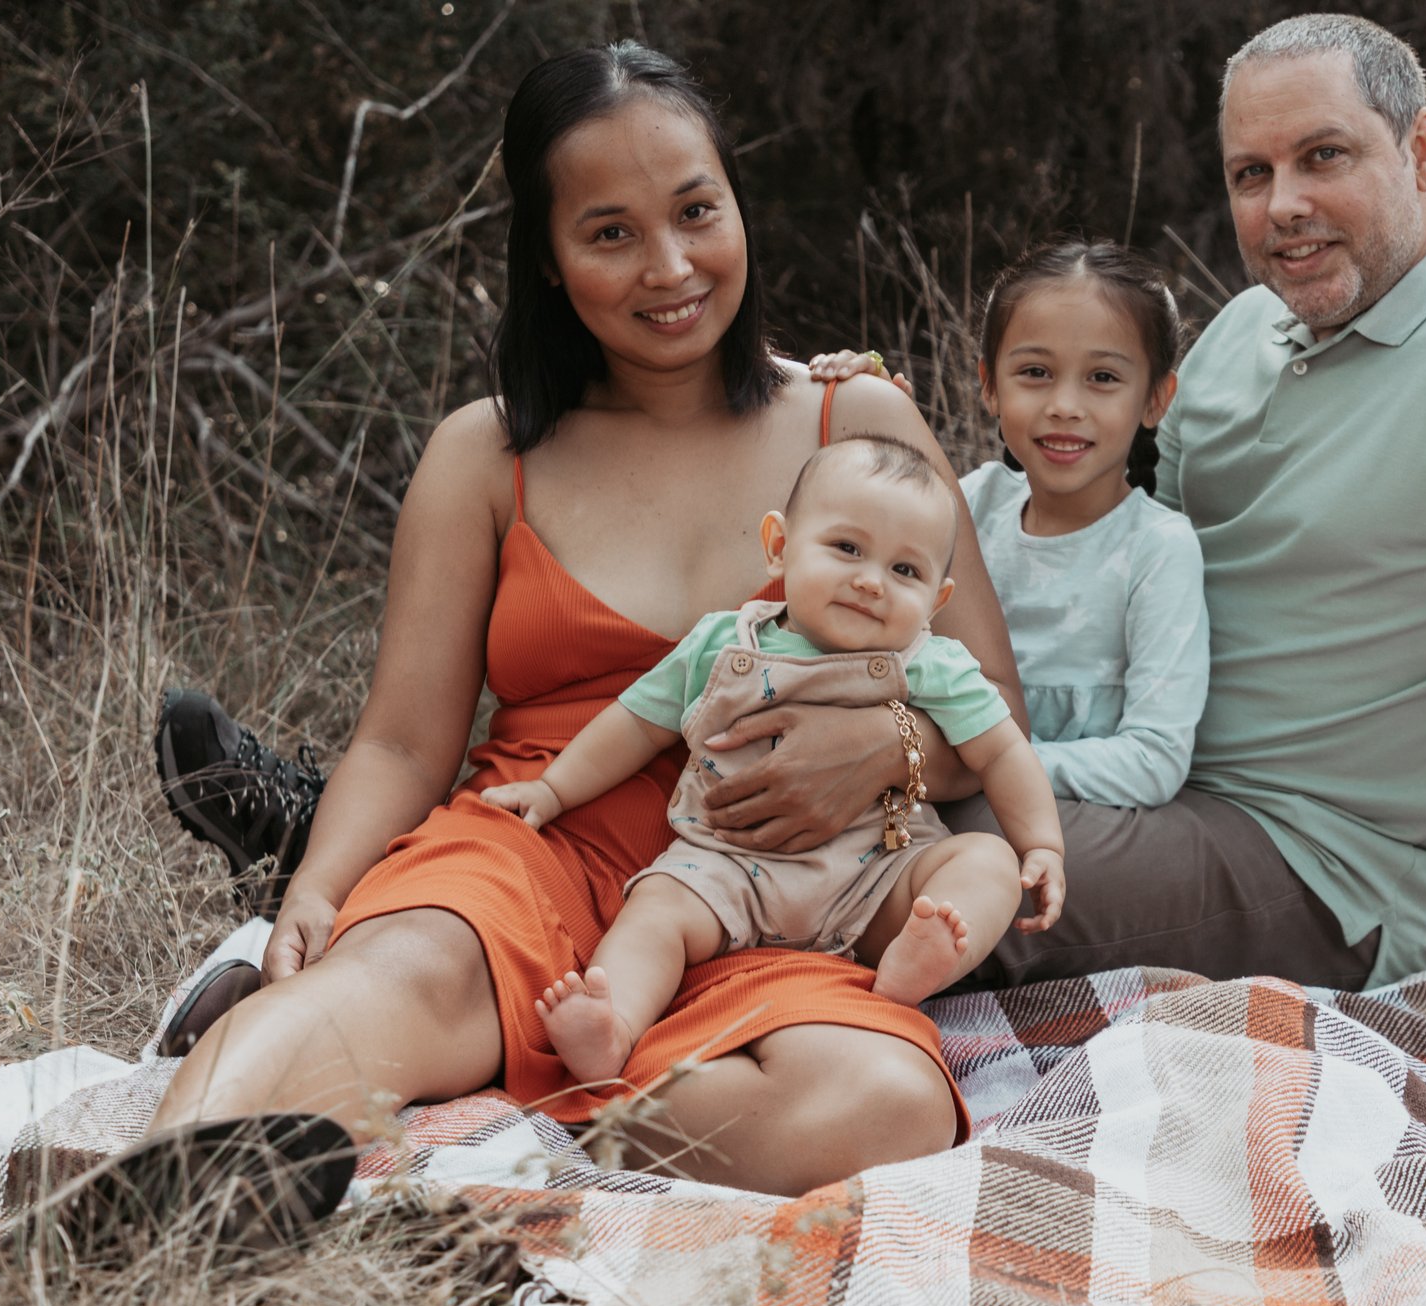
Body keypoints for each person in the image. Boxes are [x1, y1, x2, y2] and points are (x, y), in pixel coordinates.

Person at [132, 39, 1035, 1215]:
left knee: (887, 1102)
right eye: (610, 232)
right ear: (549, 260)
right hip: (530, 842)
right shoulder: (485, 451)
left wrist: (891, 749)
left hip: (771, 880)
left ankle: (537, 1105)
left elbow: (994, 717)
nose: (670, 266)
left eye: (695, 211)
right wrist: (320, 886)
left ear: (734, 206)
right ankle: (156, 1193)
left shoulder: (853, 419)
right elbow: (406, 742)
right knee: (395, 968)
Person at [937, 13, 1426, 1079]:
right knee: (838, 773)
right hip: (1146, 764)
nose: (1282, 205)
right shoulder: (1246, 329)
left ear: (1420, 151)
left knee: (934, 857)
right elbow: (1100, 540)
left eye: (1322, 157)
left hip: (1328, 864)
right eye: (1251, 172)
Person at [477, 434, 1065, 1083]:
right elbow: (635, 723)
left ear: (938, 599)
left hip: (874, 882)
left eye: (906, 571)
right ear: (779, 545)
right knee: (658, 910)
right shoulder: (723, 642)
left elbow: (1003, 749)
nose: (870, 581)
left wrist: (1040, 842)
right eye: (847, 548)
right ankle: (611, 1027)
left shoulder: (930, 663)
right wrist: (553, 790)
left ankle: (911, 972)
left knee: (986, 863)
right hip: (727, 867)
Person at [818, 239, 1207, 811]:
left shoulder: (1157, 550)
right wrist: (875, 412)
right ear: (990, 385)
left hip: (1064, 813)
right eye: (1035, 372)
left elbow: (1154, 761)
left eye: (1102, 377)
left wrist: (991, 763)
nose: (1064, 405)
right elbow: (865, 540)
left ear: (1156, 398)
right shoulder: (973, 502)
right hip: (925, 785)